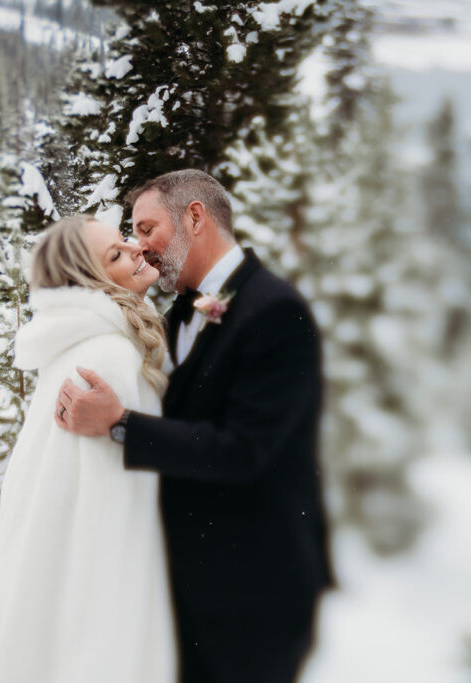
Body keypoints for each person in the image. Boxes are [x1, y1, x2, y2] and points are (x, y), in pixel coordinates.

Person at [55, 169, 333, 683]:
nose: (140, 247)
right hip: (191, 589)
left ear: (196, 217)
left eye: (146, 229)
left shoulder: (276, 313)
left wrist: (120, 425)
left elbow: (244, 449)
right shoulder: (188, 308)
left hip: (255, 595)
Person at [0, 215, 177, 683]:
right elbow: (117, 516)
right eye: (115, 254)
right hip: (105, 615)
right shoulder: (109, 358)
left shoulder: (88, 348)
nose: (135, 249)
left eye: (123, 240)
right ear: (91, 282)